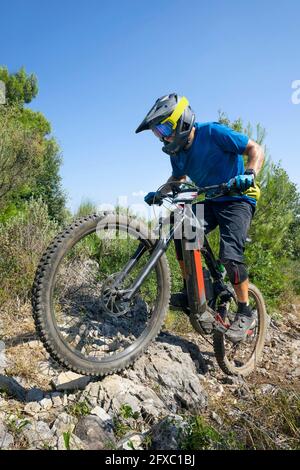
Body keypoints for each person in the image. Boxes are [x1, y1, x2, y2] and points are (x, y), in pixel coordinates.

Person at [135, 93, 264, 343]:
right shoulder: (177, 152)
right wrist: (160, 193)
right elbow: (178, 179)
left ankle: (246, 311)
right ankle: (193, 288)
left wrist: (250, 173)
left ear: (181, 121)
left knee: (230, 254)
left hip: (238, 198)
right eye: (157, 133)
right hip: (213, 200)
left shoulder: (212, 132)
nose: (161, 136)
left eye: (163, 128)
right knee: (180, 224)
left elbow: (254, 148)